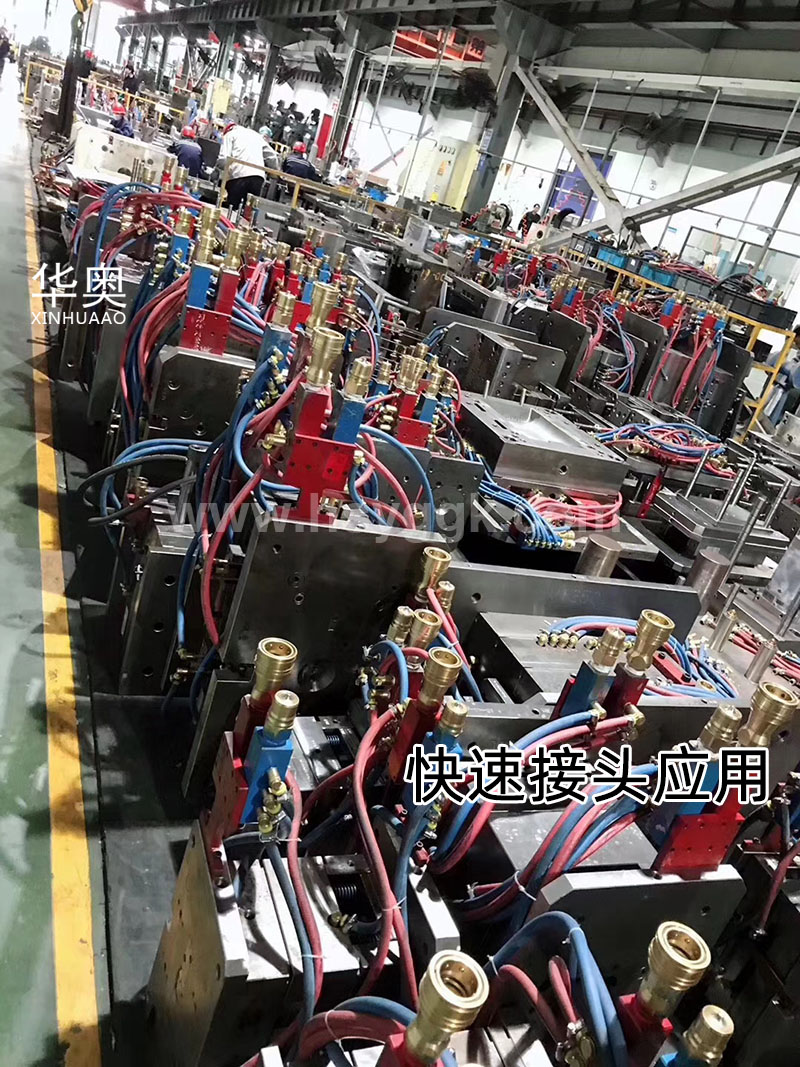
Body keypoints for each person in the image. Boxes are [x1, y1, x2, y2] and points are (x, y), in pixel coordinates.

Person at [219, 120, 267, 209]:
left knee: (232, 208)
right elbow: (272, 156)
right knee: (249, 211)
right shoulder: (256, 135)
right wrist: (277, 174)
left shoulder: (230, 134)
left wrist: (217, 171)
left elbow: (223, 159)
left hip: (239, 175)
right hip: (258, 177)